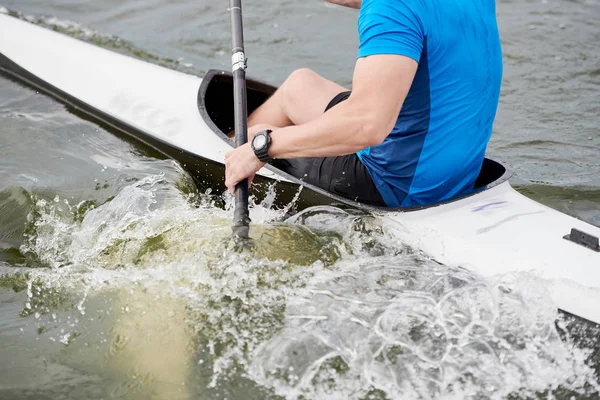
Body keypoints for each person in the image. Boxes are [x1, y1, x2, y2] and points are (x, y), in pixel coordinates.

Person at [225, 0, 503, 208]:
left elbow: (367, 125)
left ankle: (232, 156)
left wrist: (263, 146)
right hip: (456, 173)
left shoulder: (392, 6)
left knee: (257, 134)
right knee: (300, 85)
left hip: (395, 186)